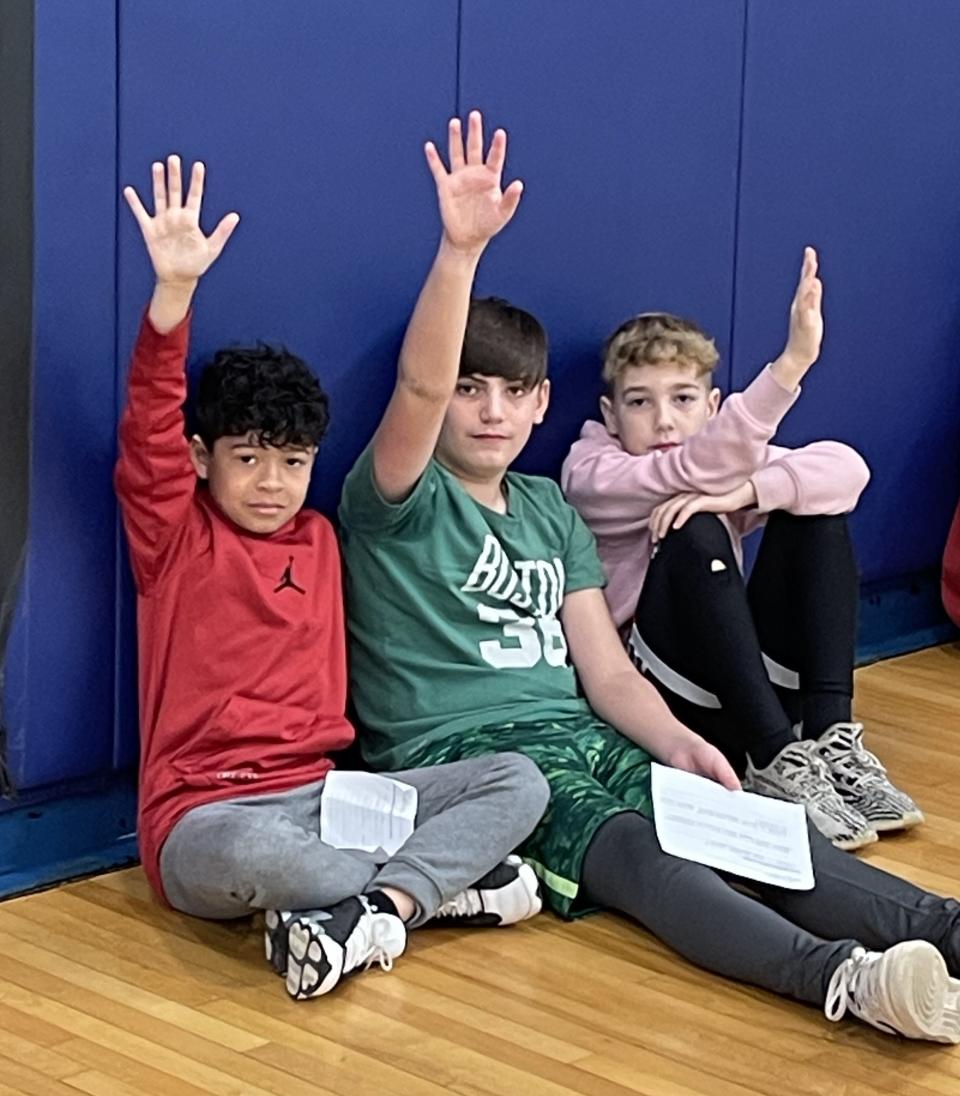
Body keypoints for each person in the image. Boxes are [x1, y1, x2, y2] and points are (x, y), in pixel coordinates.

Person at [339, 111, 960, 1042]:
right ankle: (844, 982)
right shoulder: (394, 496)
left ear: (544, 402)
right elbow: (418, 392)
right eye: (472, 388)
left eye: (513, 392)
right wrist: (458, 255)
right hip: (468, 765)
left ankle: (940, 928)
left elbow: (609, 671)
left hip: (580, 729)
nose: (490, 410)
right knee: (641, 854)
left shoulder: (551, 508)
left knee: (732, 824)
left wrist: (677, 745)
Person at [115, 154, 548, 1001]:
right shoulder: (173, 534)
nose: (271, 483)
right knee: (263, 859)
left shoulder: (322, 535)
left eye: (292, 461)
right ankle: (436, 893)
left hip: (331, 797)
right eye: (247, 460)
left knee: (516, 780)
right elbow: (148, 428)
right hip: (205, 818)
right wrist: (172, 299)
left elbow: (412, 415)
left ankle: (370, 910)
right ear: (203, 460)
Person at [561, 255, 922, 850]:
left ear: (713, 407)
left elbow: (847, 471)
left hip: (741, 680)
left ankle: (830, 741)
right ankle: (775, 760)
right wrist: (791, 366)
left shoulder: (726, 458)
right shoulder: (594, 471)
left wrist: (749, 490)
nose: (664, 420)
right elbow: (693, 467)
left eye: (682, 399)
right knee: (693, 529)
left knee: (815, 511)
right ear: (610, 413)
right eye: (639, 402)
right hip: (662, 698)